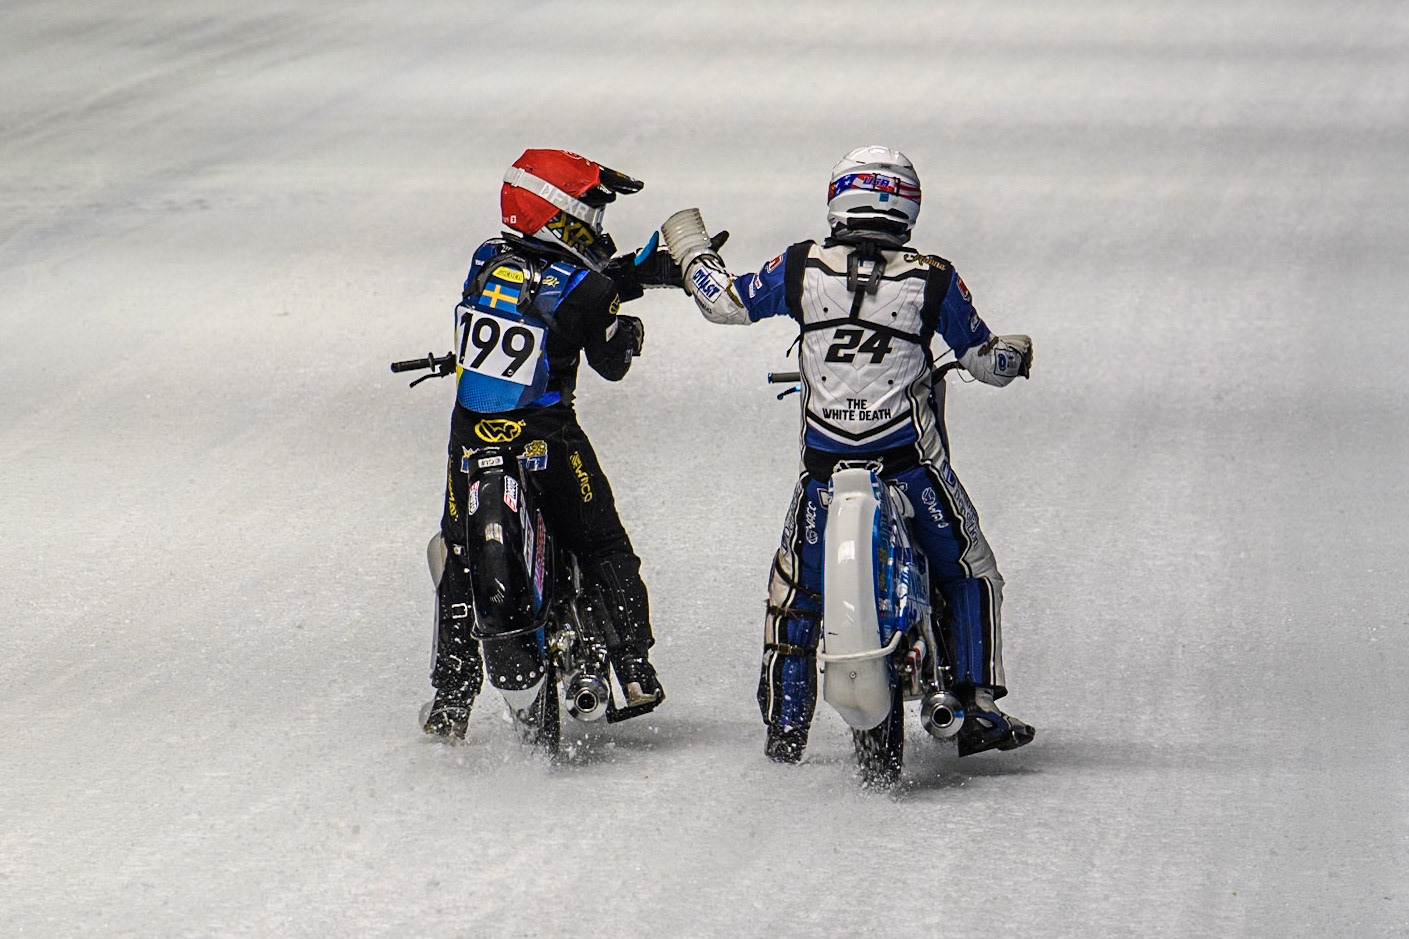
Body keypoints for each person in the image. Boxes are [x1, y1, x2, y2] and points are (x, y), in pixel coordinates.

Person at [660, 146, 1037, 761]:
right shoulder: (934, 277)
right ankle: (976, 706)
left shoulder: (801, 265)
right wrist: (1012, 358)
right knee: (971, 569)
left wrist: (692, 251)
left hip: (823, 479)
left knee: (794, 592)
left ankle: (785, 729)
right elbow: (983, 360)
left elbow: (724, 302)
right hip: (910, 471)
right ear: (908, 206)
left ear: (839, 199)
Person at [422, 148, 668, 739]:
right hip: (544, 437)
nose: (596, 228)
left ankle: (451, 698)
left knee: (456, 550)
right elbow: (609, 358)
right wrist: (627, 328)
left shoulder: (485, 261)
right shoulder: (590, 289)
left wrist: (622, 279)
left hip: (469, 439)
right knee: (602, 541)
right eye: (588, 215)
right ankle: (633, 664)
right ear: (556, 217)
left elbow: (548, 295)